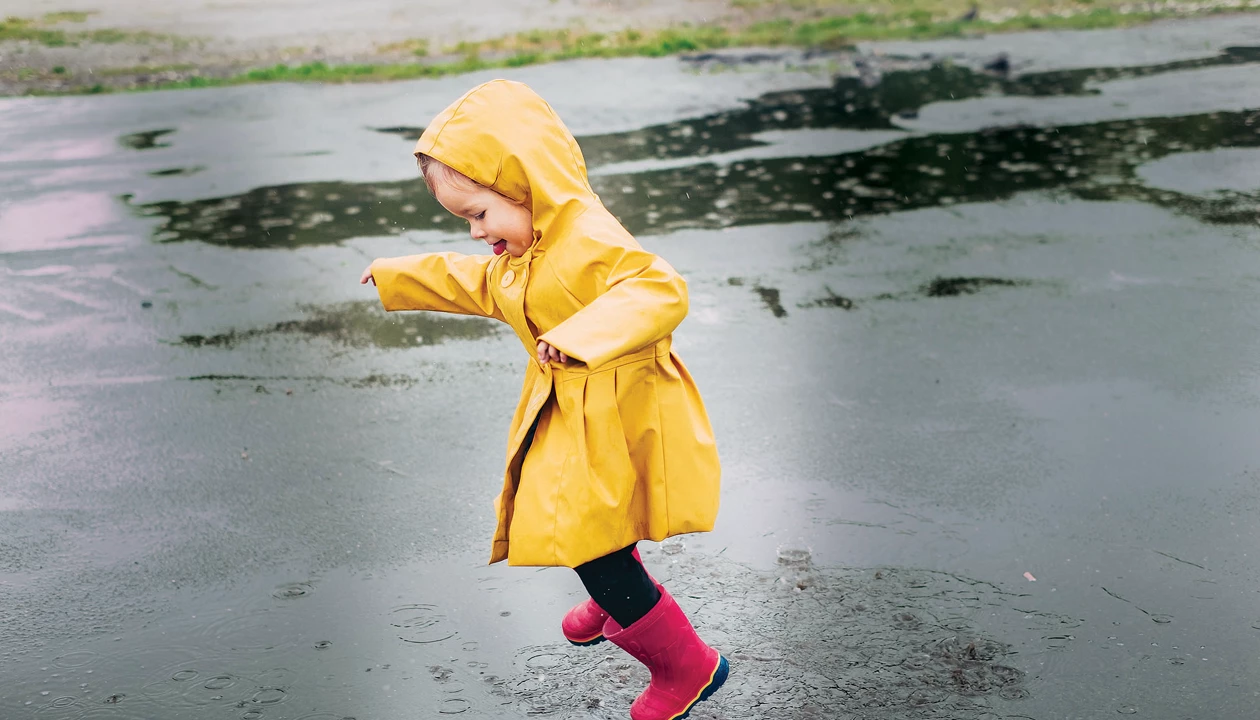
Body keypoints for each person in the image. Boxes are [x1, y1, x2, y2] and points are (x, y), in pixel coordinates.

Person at [359, 79, 727, 720]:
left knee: (585, 538)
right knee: (582, 522)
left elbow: (661, 289)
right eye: (465, 220)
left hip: (616, 408)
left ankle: (686, 665)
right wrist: (402, 274)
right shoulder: (525, 246)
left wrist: (583, 335)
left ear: (527, 183)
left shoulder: (587, 235)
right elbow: (481, 284)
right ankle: (619, 597)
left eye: (479, 214)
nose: (476, 233)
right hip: (572, 409)